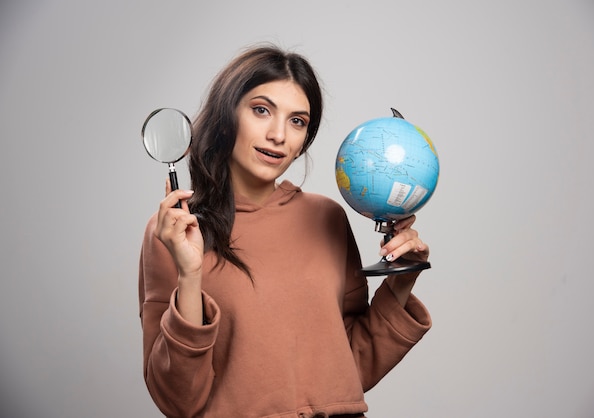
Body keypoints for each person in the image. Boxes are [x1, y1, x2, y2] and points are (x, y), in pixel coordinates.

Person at [138, 44, 432, 418]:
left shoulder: (327, 218)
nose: (279, 135)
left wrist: (401, 281)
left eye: (298, 121)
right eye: (261, 110)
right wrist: (190, 275)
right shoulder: (174, 232)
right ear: (227, 117)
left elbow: (349, 368)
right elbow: (178, 400)